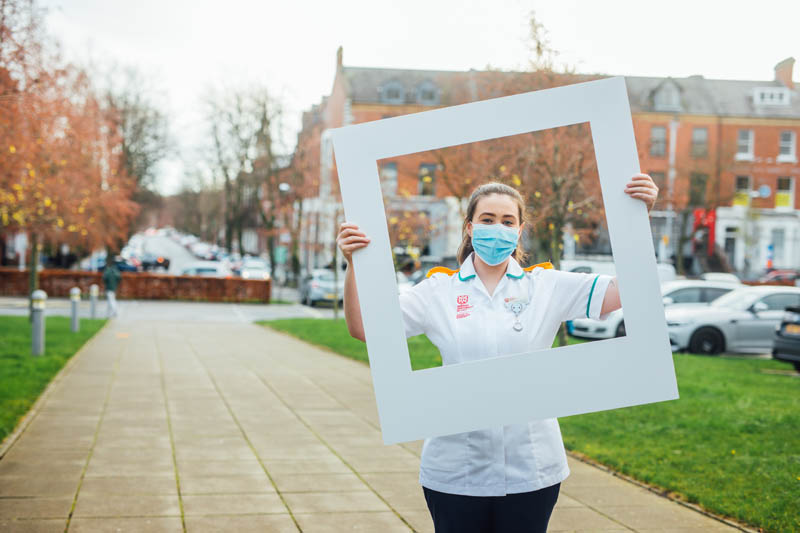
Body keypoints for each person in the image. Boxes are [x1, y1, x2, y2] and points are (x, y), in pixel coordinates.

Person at [337, 175, 658, 533]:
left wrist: (637, 224)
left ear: (519, 230)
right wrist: (354, 264)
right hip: (454, 469)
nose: (497, 229)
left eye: (508, 222)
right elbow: (364, 327)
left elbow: (625, 290)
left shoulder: (546, 286)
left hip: (531, 468)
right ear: (470, 226)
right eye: (488, 220)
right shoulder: (437, 291)